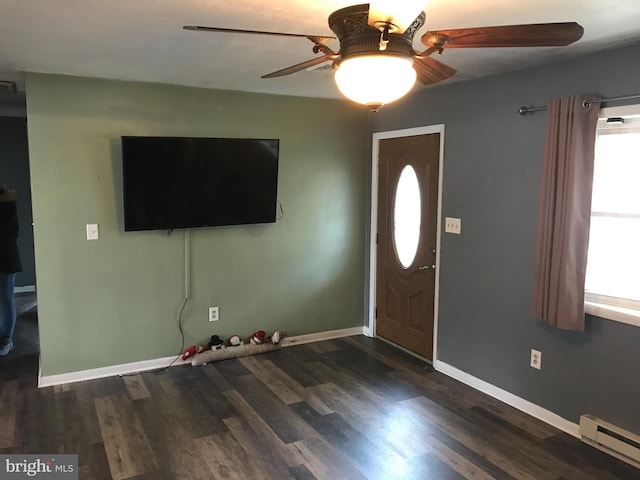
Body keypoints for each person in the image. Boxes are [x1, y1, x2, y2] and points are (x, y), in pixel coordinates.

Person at [0, 185, 21, 356]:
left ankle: (7, 339)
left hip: (6, 259)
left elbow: (8, 234)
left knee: (5, 299)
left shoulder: (7, 207)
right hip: (7, 258)